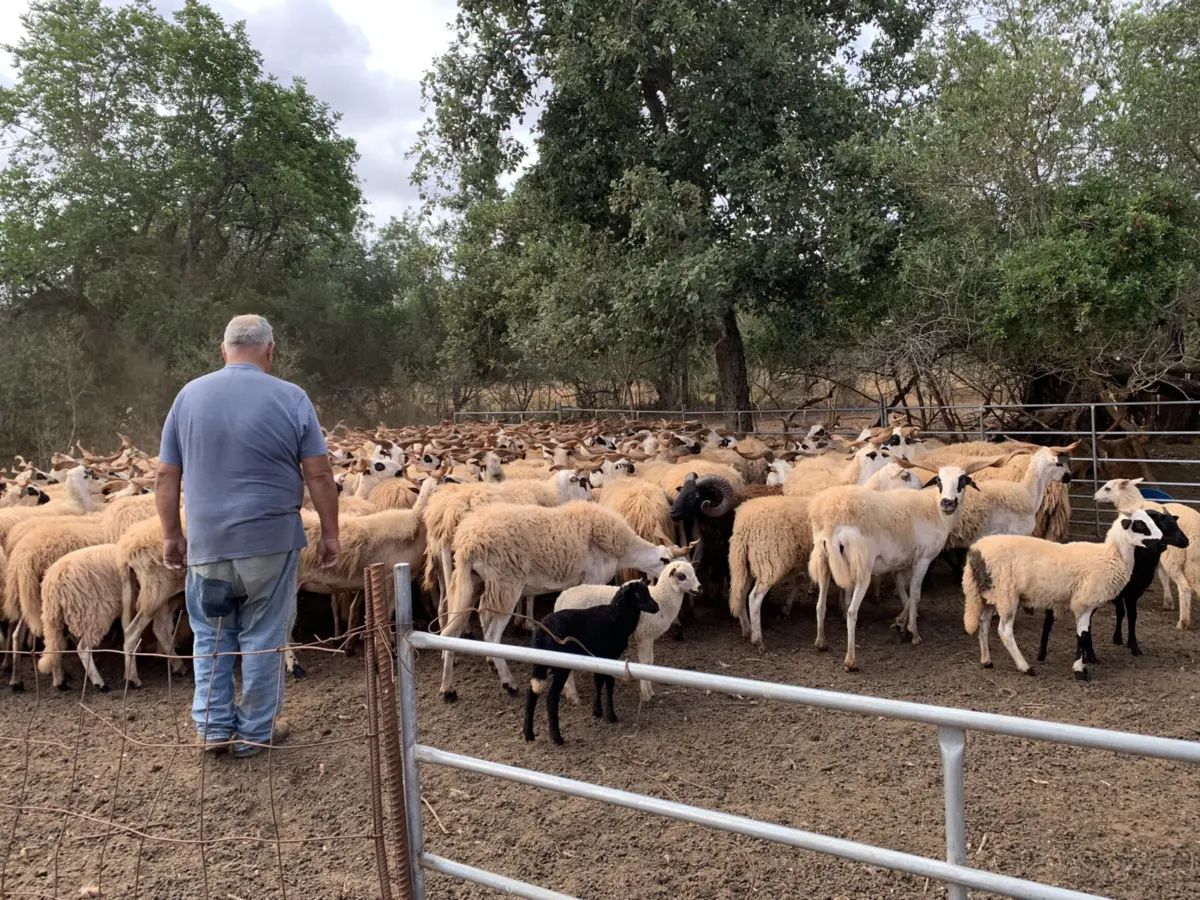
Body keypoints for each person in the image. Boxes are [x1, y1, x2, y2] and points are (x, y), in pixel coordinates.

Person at [155, 314, 340, 758]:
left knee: (213, 636)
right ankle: (255, 731)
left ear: (224, 350)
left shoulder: (188, 396)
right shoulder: (292, 397)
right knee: (263, 635)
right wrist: (331, 533)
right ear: (270, 351)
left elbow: (165, 474)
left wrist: (170, 535)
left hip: (209, 547)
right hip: (270, 547)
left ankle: (213, 729)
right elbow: (318, 473)